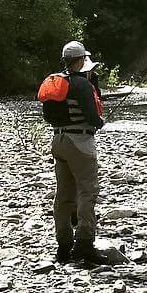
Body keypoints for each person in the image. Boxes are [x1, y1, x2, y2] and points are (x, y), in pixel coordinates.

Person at [38, 40, 105, 263]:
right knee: (87, 192)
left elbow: (48, 116)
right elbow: (93, 117)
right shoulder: (82, 84)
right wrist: (99, 122)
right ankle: (85, 244)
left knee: (64, 194)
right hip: (80, 142)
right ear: (80, 60)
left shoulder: (55, 81)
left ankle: (63, 246)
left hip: (58, 140)